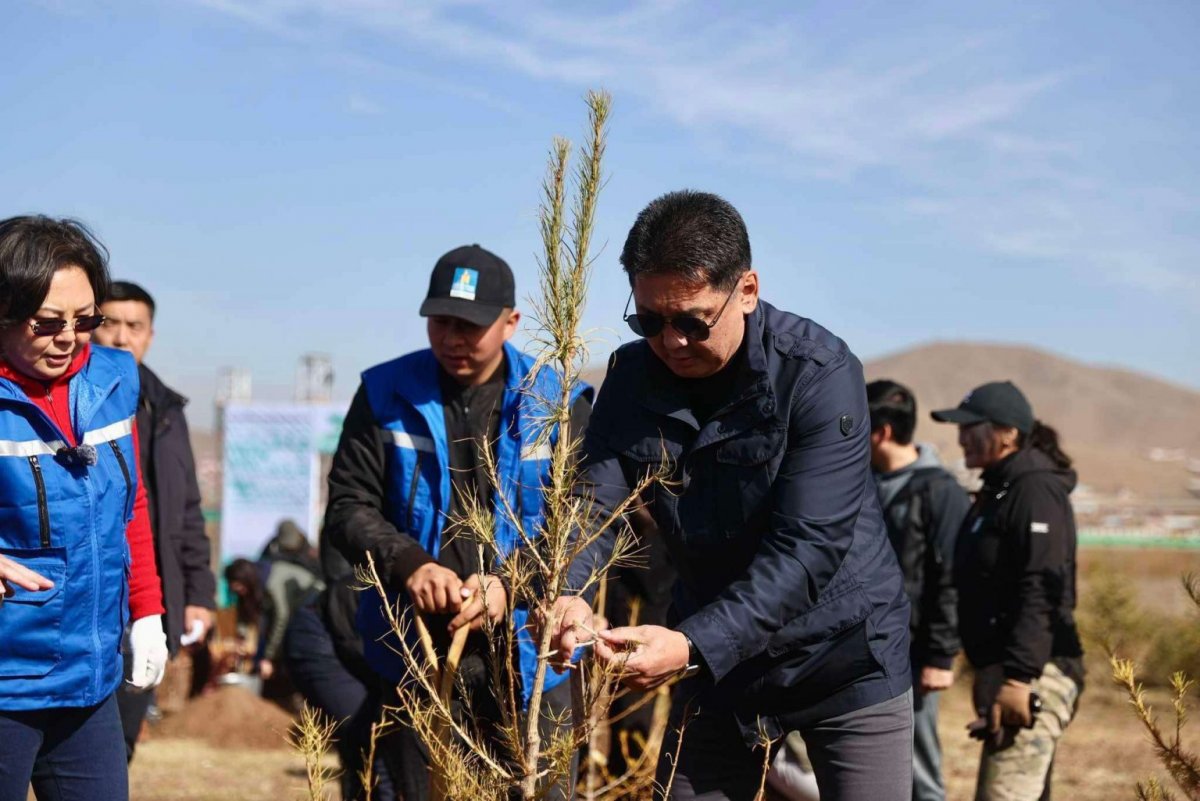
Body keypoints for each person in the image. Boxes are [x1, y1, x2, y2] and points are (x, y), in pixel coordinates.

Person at [547, 190, 913, 801]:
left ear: (746, 289)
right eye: (649, 321)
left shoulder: (818, 376)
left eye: (692, 321)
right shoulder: (631, 379)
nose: (671, 342)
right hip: (718, 665)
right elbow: (592, 506)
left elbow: (807, 550)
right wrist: (568, 593)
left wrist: (690, 645)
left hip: (841, 654)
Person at [324, 244, 592, 800]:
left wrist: (510, 585)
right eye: (441, 322)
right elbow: (349, 507)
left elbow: (582, 522)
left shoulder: (559, 401)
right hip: (415, 649)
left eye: (470, 326)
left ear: (511, 322)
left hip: (532, 653)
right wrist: (410, 565)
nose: (453, 339)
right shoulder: (384, 394)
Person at [0, 215, 168, 801]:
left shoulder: (114, 379)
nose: (70, 338)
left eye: (85, 319)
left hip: (88, 678)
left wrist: (147, 612)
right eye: (47, 323)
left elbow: (131, 504)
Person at [931, 381, 1084, 801]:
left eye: (970, 427)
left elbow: (1043, 588)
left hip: (1036, 672)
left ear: (1007, 433)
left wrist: (1019, 677)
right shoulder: (1000, 489)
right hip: (1009, 670)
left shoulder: (1034, 490)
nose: (961, 437)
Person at [93, 279, 217, 762]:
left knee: (119, 742)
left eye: (134, 326)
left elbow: (187, 510)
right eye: (111, 324)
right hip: (96, 590)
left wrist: (199, 596)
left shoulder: (168, 412)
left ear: (150, 335)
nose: (122, 337)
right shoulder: (80, 402)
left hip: (150, 597)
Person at [868, 379, 970, 801]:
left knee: (918, 760)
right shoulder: (863, 483)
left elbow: (951, 578)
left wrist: (940, 655)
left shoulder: (939, 491)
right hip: (868, 648)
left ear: (883, 432)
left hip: (914, 651)